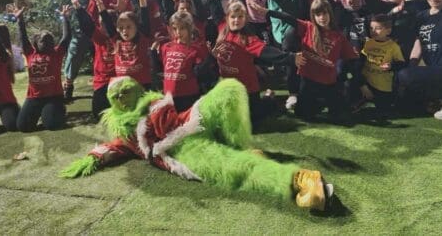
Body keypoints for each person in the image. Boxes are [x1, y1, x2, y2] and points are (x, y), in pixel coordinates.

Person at [61, 76, 335, 212]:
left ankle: (240, 145)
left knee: (229, 88)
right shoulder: (127, 134)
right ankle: (301, 179)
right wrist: (92, 158)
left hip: (191, 122)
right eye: (116, 96)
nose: (122, 98)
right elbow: (115, 147)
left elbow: (176, 120)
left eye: (126, 91)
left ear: (137, 89)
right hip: (187, 151)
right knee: (235, 168)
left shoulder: (155, 103)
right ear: (111, 103)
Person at [251, 0, 360, 121]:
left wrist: (360, 83)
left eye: (325, 13)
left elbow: (351, 60)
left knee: (340, 115)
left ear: (330, 14)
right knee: (303, 114)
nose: (322, 17)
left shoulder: (339, 36)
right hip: (308, 81)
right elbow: (288, 18)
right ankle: (314, 102)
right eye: (318, 14)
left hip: (329, 83)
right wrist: (267, 12)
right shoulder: (308, 28)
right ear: (313, 16)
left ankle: (329, 99)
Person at [47, 0, 136, 100]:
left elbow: (129, 23)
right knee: (76, 48)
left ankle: (113, 85)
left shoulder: (126, 0)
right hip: (90, 29)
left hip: (110, 35)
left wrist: (121, 11)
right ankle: (68, 83)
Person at [209, 0, 302, 125]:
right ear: (227, 18)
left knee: (250, 122)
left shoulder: (248, 40)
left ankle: (269, 99)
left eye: (240, 17)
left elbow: (269, 53)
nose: (236, 20)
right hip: (229, 89)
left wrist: (291, 57)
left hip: (248, 90)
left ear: (246, 19)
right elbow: (215, 11)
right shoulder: (222, 29)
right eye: (233, 17)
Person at [13, 4, 72, 132]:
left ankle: (58, 109)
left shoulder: (56, 53)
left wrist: (66, 18)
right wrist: (20, 19)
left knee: (52, 125)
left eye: (50, 40)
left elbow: (66, 38)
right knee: (23, 127)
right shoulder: (30, 53)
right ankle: (41, 112)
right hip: (34, 97)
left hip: (53, 96)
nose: (47, 43)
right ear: (36, 43)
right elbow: (23, 37)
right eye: (43, 41)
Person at [151, 11, 214, 112]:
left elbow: (201, 74)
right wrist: (153, 52)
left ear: (189, 28)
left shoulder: (196, 48)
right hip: (168, 96)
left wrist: (210, 58)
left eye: (182, 28)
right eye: (175, 28)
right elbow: (159, 70)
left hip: (188, 97)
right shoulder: (166, 47)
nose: (178, 32)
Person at [94, 0, 152, 88]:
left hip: (142, 87)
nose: (125, 31)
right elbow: (106, 20)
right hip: (123, 88)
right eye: (121, 28)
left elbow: (144, 17)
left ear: (137, 27)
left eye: (129, 27)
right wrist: (98, 1)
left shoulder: (142, 39)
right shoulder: (116, 40)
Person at [359, 14, 405, 116]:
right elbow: (360, 61)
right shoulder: (368, 43)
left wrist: (391, 66)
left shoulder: (393, 46)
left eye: (378, 28)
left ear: (388, 31)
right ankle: (360, 100)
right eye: (371, 28)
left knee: (384, 112)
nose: (373, 31)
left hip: (383, 87)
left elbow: (401, 63)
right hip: (367, 84)